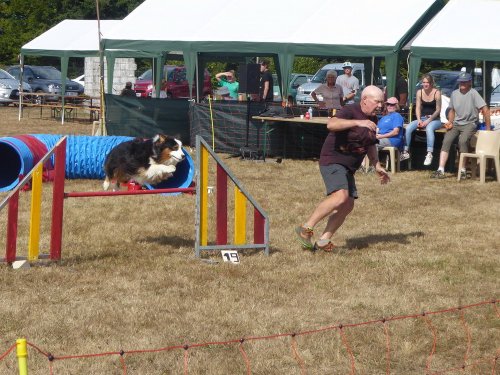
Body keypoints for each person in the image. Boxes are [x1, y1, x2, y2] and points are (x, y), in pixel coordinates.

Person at [295, 85, 390, 252]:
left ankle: (324, 240)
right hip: (333, 159)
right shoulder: (349, 110)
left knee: (348, 205)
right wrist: (358, 122)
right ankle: (306, 228)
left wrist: (377, 165)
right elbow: (331, 125)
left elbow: (370, 145)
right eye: (378, 102)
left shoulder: (373, 119)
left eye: (382, 102)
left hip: (349, 167)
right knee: (340, 197)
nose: (381, 106)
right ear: (365, 100)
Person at [431, 72, 491, 179]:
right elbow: (452, 109)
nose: (462, 83)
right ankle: (440, 169)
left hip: (470, 123)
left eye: (464, 82)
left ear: (469, 82)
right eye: (460, 82)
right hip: (456, 123)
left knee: (462, 141)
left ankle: (462, 170)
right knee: (446, 141)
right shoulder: (454, 93)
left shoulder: (474, 93)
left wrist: (488, 129)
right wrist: (450, 121)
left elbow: (485, 110)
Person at [400, 73, 442, 166]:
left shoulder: (437, 92)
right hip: (422, 117)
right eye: (424, 82)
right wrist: (419, 119)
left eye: (427, 82)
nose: (425, 84)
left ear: (431, 83)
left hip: (435, 119)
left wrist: (428, 120)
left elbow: (438, 110)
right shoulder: (420, 92)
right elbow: (418, 107)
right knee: (409, 127)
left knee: (429, 128)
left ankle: (429, 153)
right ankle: (405, 151)